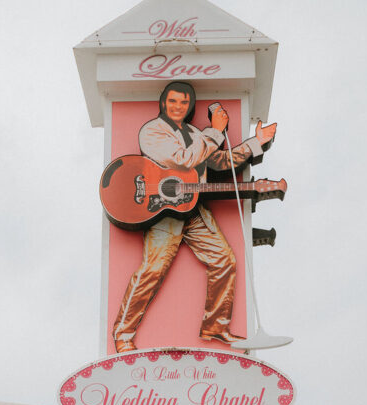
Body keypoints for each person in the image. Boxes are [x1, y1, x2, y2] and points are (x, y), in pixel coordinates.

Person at [113, 81, 277, 352]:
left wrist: (256, 143)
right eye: (173, 101)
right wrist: (214, 130)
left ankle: (216, 326)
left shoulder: (194, 132)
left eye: (184, 103)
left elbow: (220, 162)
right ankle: (123, 333)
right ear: (163, 102)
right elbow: (182, 160)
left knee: (225, 260)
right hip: (163, 210)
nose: (178, 107)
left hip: (193, 208)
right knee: (152, 271)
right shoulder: (152, 131)